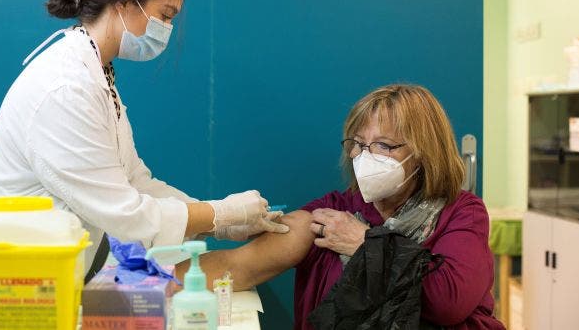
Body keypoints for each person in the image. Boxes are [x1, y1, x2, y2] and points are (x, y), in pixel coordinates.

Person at [0, 0, 288, 279]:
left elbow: (134, 181)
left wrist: (217, 221)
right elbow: (126, 212)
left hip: (48, 273)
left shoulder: (96, 74)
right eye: (164, 15)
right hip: (5, 285)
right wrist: (220, 214)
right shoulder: (65, 89)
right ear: (124, 2)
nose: (166, 29)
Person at [173, 84, 504, 329]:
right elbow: (241, 265)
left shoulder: (461, 213)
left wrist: (366, 245)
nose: (365, 157)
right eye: (358, 144)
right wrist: (145, 282)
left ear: (425, 152)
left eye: (384, 146)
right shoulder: (332, 214)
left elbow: (448, 303)